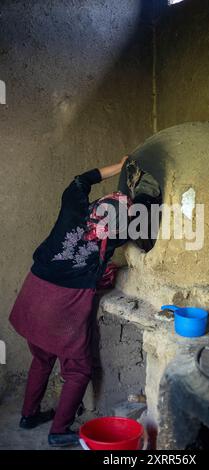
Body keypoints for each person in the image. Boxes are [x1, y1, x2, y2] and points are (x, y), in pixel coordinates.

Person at [9, 156, 131, 447]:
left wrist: (121, 165)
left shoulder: (73, 208)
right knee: (78, 370)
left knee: (41, 357)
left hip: (33, 295)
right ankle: (59, 431)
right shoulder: (112, 240)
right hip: (61, 307)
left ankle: (29, 415)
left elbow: (82, 179)